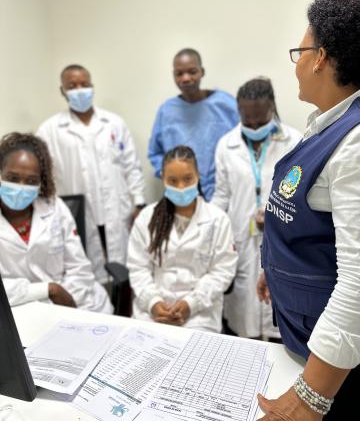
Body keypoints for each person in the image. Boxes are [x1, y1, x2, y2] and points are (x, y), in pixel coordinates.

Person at [256, 0, 360, 420]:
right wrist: (277, 270)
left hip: (334, 378)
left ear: (319, 57)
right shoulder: (327, 125)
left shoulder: (355, 143)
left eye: (299, 51)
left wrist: (310, 398)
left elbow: (358, 283)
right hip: (304, 339)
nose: (296, 64)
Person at [37, 64, 146, 283]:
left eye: (84, 84)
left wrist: (139, 203)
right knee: (85, 275)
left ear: (92, 86)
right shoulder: (49, 130)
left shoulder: (114, 123)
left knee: (123, 275)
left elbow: (131, 166)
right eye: (72, 86)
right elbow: (43, 175)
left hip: (116, 211)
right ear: (62, 91)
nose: (79, 90)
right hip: (77, 214)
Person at [212, 77, 301, 341]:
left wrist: (274, 216)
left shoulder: (295, 141)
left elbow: (300, 197)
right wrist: (216, 235)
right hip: (241, 239)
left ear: (272, 108)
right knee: (243, 320)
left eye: (260, 121)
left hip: (282, 239)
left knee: (279, 319)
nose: (253, 126)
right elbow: (221, 195)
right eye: (247, 121)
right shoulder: (225, 146)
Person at [127, 145, 237, 332]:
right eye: (173, 180)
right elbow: (138, 269)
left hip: (199, 316)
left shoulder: (218, 220)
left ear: (198, 176)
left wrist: (190, 304)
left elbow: (222, 272)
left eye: (187, 179)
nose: (181, 187)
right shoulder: (146, 218)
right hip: (152, 313)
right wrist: (154, 303)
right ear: (163, 179)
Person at [0, 132, 112, 313]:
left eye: (31, 181)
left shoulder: (55, 207)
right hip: (18, 309)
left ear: (41, 182)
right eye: (13, 178)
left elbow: (79, 267)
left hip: (74, 301)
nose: (21, 187)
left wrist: (64, 301)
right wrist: (48, 290)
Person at [148, 48, 239, 201]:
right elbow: (155, 153)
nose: (186, 78)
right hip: (182, 195)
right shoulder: (167, 112)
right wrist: (172, 177)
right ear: (173, 76)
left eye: (192, 71)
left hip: (224, 193)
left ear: (202, 72)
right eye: (179, 73)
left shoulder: (225, 104)